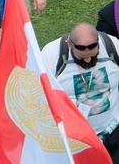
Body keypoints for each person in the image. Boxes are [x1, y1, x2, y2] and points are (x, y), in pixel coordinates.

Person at [41, 23, 119, 159]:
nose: (88, 59)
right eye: (81, 58)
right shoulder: (52, 55)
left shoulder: (112, 46)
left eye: (93, 55)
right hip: (74, 141)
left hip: (112, 131)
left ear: (98, 43)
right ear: (69, 44)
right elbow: (37, 93)